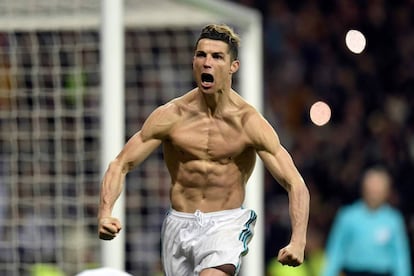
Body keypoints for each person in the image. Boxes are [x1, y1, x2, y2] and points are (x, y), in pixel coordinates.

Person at [97, 24, 310, 276]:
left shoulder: (248, 123)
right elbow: (121, 164)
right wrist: (105, 212)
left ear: (233, 66)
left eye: (217, 56)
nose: (207, 62)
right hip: (179, 224)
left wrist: (298, 241)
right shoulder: (171, 116)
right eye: (201, 55)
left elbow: (295, 183)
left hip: (224, 224)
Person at [323, 166, 412, 276]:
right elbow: (335, 252)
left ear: (387, 191)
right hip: (353, 272)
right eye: (372, 187)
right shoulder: (348, 216)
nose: (374, 192)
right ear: (363, 188)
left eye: (379, 188)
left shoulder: (393, 220)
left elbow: (401, 257)